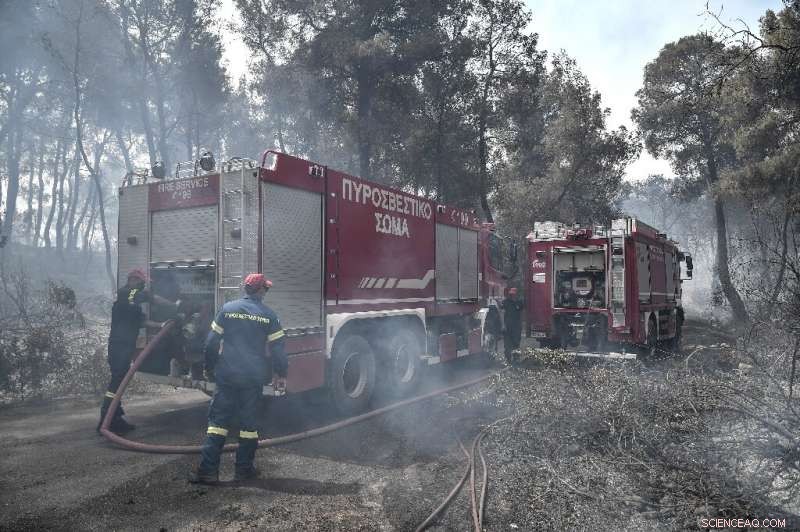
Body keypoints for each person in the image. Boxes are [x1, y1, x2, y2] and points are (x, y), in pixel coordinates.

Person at [189, 273, 288, 485]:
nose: (266, 292)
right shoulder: (269, 316)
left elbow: (211, 344)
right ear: (260, 290)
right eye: (266, 289)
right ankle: (243, 471)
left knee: (217, 424)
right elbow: (278, 351)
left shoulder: (227, 309)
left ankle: (208, 472)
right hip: (253, 378)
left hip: (227, 376)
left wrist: (210, 369)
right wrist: (281, 374)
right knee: (249, 426)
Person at [98, 268, 176, 434]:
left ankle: (115, 419)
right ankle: (105, 421)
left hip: (125, 346)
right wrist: (174, 305)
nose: (142, 285)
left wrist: (161, 325)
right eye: (141, 282)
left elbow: (142, 322)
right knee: (116, 383)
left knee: (118, 382)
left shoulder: (130, 304)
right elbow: (149, 297)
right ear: (133, 279)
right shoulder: (127, 293)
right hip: (119, 346)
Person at [501, 287, 524, 365]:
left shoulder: (519, 302)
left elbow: (521, 311)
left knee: (516, 343)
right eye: (511, 294)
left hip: (516, 327)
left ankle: (516, 359)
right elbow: (502, 312)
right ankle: (508, 359)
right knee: (507, 344)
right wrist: (503, 325)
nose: (512, 296)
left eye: (513, 294)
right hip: (507, 327)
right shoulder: (505, 302)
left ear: (516, 294)